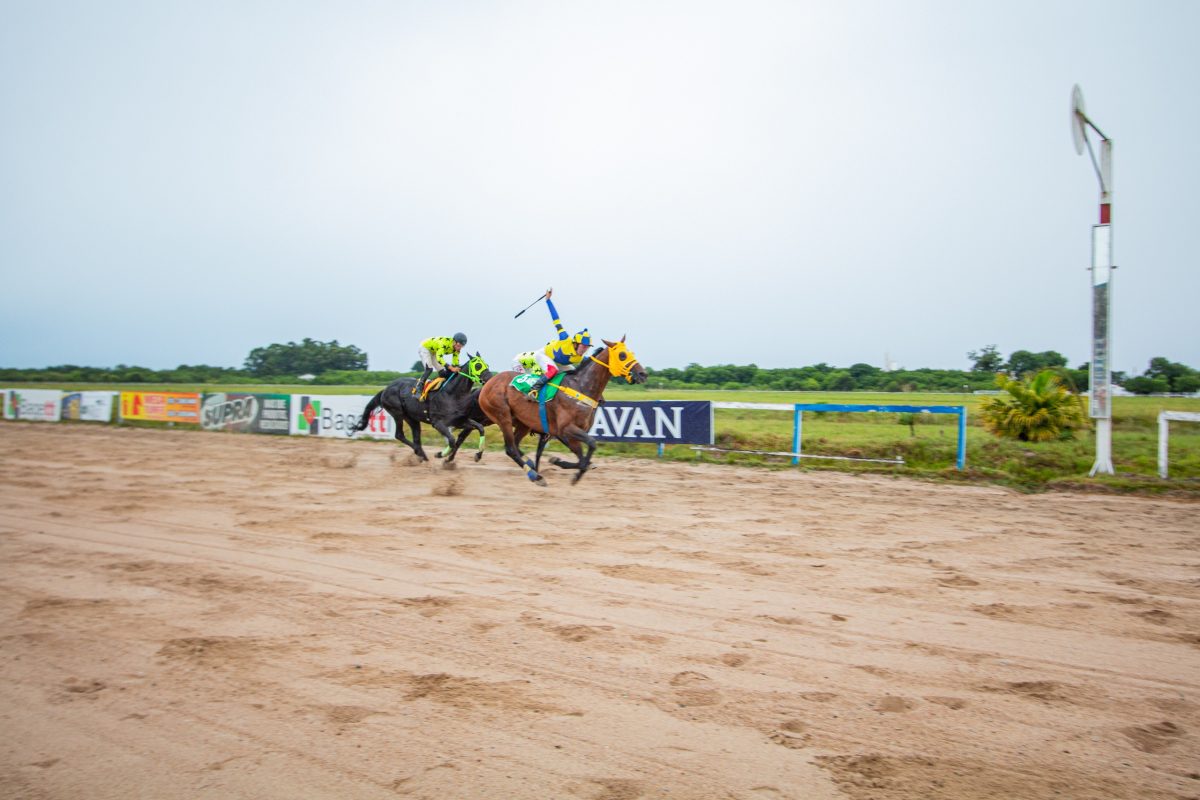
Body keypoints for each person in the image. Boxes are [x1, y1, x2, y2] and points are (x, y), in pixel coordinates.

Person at [525, 289, 590, 400]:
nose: (585, 349)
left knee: (573, 374)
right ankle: (533, 390)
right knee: (553, 370)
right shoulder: (565, 339)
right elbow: (556, 319)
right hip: (543, 355)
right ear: (575, 344)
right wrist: (548, 301)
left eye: (587, 347)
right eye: (583, 346)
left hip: (558, 362)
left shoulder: (580, 357)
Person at [416, 332, 466, 397]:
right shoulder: (444, 343)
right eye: (459, 346)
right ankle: (419, 387)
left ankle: (437, 388)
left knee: (442, 373)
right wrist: (451, 368)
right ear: (454, 342)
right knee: (429, 369)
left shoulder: (457, 349)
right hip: (425, 348)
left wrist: (457, 369)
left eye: (462, 346)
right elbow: (439, 358)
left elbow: (455, 362)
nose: (459, 348)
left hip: (434, 351)